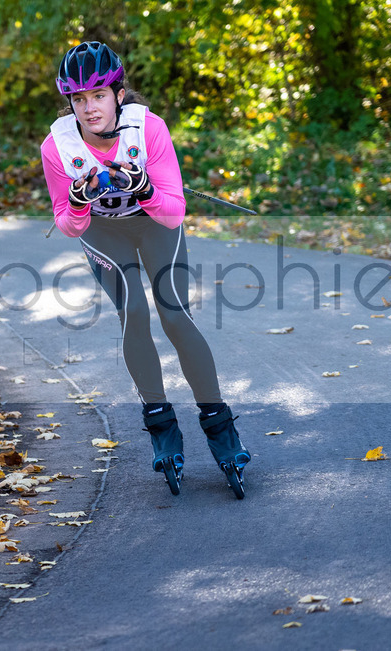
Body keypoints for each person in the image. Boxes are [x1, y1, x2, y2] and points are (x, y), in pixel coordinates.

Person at [40, 40, 250, 498]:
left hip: (155, 226)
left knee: (174, 313)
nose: (89, 108)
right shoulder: (57, 147)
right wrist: (78, 200)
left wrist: (144, 187)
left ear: (118, 93)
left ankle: (220, 427)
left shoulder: (149, 129)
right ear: (69, 103)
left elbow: (173, 213)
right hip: (103, 233)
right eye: (78, 99)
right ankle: (161, 426)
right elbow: (68, 225)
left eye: (98, 95)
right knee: (134, 309)